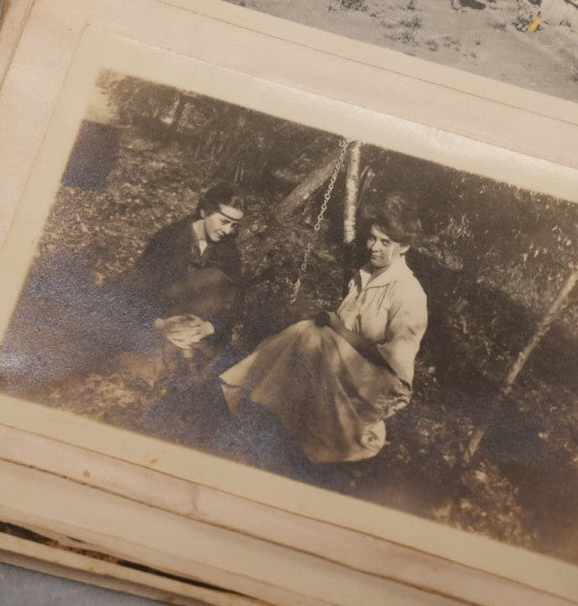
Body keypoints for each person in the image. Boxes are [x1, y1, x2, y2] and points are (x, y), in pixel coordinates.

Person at [219, 192, 428, 464]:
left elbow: (392, 362)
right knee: (306, 335)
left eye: (385, 242)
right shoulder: (364, 274)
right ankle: (263, 415)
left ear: (404, 247)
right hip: (347, 365)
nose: (374, 247)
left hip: (381, 384)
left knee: (310, 335)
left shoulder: (408, 292)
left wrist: (334, 326)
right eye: (372, 237)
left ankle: (246, 394)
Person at [111, 183, 248, 370]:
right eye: (224, 221)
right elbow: (138, 288)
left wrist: (209, 326)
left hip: (197, 327)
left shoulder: (228, 250)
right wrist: (160, 323)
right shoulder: (169, 239)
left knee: (215, 278)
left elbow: (236, 297)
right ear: (205, 212)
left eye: (234, 225)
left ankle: (188, 356)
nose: (228, 230)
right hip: (161, 319)